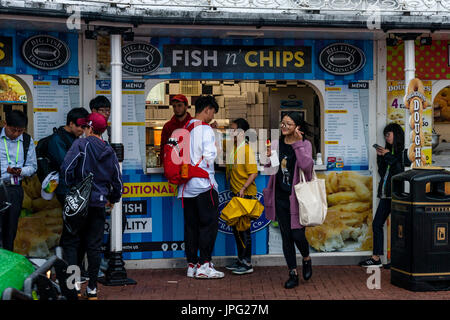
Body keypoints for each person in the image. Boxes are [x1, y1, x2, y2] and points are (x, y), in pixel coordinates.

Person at [60, 112, 122, 299]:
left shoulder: (81, 144)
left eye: (85, 127)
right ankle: (92, 289)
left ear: (90, 128)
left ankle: (73, 288)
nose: (84, 130)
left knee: (71, 244)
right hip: (98, 204)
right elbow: (117, 181)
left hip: (78, 204)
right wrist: (113, 198)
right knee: (94, 247)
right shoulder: (109, 151)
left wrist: (71, 187)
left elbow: (66, 169)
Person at [263, 112, 314, 289]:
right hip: (280, 197)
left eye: (288, 124)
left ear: (297, 127)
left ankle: (306, 258)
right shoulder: (277, 144)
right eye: (283, 123)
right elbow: (270, 169)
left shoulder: (305, 144)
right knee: (286, 236)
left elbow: (307, 168)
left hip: (297, 199)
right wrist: (269, 158)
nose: (284, 127)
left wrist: (298, 145)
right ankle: (293, 272)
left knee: (298, 234)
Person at [180, 95, 223, 279]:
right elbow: (210, 156)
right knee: (208, 225)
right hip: (204, 185)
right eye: (212, 112)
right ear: (207, 109)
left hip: (186, 187)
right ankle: (205, 265)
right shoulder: (205, 129)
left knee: (191, 226)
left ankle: (192, 265)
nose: (212, 116)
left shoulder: (186, 127)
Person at [359, 123, 409, 267]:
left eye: (389, 134)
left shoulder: (403, 151)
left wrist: (387, 155)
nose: (386, 137)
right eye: (385, 135)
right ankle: (376, 258)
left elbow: (400, 171)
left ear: (396, 134)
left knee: (398, 228)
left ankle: (397, 260)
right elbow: (383, 173)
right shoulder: (389, 151)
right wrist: (381, 157)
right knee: (377, 224)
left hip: (398, 195)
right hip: (386, 194)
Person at [225, 118, 258, 275]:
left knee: (243, 230)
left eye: (234, 130)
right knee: (237, 230)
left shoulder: (246, 150)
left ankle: (247, 263)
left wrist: (244, 188)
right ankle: (240, 259)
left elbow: (253, 172)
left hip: (244, 195)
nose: (231, 133)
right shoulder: (235, 148)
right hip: (236, 194)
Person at [0, 110, 37, 251]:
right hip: (0, 185)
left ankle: (7, 262)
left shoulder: (27, 140)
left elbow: (33, 167)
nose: (15, 134)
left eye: (19, 131)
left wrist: (21, 171)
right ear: (5, 124)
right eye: (13, 130)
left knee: (10, 229)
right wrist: (6, 170)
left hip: (14, 188)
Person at [48, 107, 89, 206]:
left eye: (85, 127)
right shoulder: (57, 139)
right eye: (80, 127)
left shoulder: (74, 137)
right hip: (65, 188)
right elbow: (65, 165)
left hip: (76, 187)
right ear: (71, 124)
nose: (83, 131)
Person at [160, 94, 192, 163]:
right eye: (174, 106)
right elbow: (163, 148)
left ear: (186, 106)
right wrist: (163, 163)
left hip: (191, 166)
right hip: (173, 166)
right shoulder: (168, 126)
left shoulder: (193, 124)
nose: (176, 109)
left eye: (179, 105)